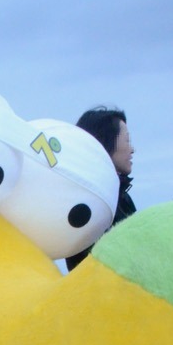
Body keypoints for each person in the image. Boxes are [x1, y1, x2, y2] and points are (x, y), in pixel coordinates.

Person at [65, 106, 136, 270]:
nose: (132, 149)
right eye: (127, 140)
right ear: (105, 142)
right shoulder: (90, 200)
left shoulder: (120, 196)